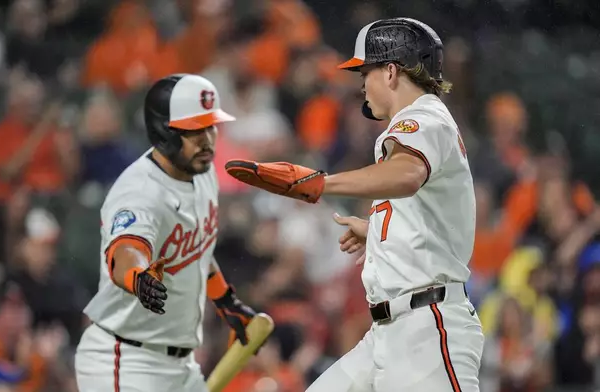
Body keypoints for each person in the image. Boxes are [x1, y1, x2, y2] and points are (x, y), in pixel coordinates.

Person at [225, 18, 484, 391]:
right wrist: (378, 231)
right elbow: (423, 205)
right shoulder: (423, 122)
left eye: (366, 71)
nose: (361, 83)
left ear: (391, 71)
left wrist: (320, 184)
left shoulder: (422, 117)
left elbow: (408, 174)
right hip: (389, 332)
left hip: (426, 330)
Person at [74, 74, 259, 392]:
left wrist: (226, 300)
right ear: (165, 133)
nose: (208, 140)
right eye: (195, 131)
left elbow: (196, 250)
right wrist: (138, 278)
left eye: (210, 127)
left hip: (179, 363)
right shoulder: (141, 191)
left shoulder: (201, 173)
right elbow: (124, 252)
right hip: (127, 359)